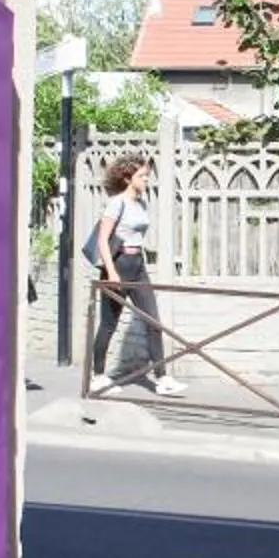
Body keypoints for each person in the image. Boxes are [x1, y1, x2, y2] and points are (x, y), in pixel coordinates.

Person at [87, 157, 186, 397]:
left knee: (153, 321)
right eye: (141, 175)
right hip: (118, 263)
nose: (146, 179)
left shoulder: (141, 204)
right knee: (109, 325)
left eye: (146, 175)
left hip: (138, 265)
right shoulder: (116, 204)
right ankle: (97, 376)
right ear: (126, 178)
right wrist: (111, 272)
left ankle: (162, 379)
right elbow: (102, 240)